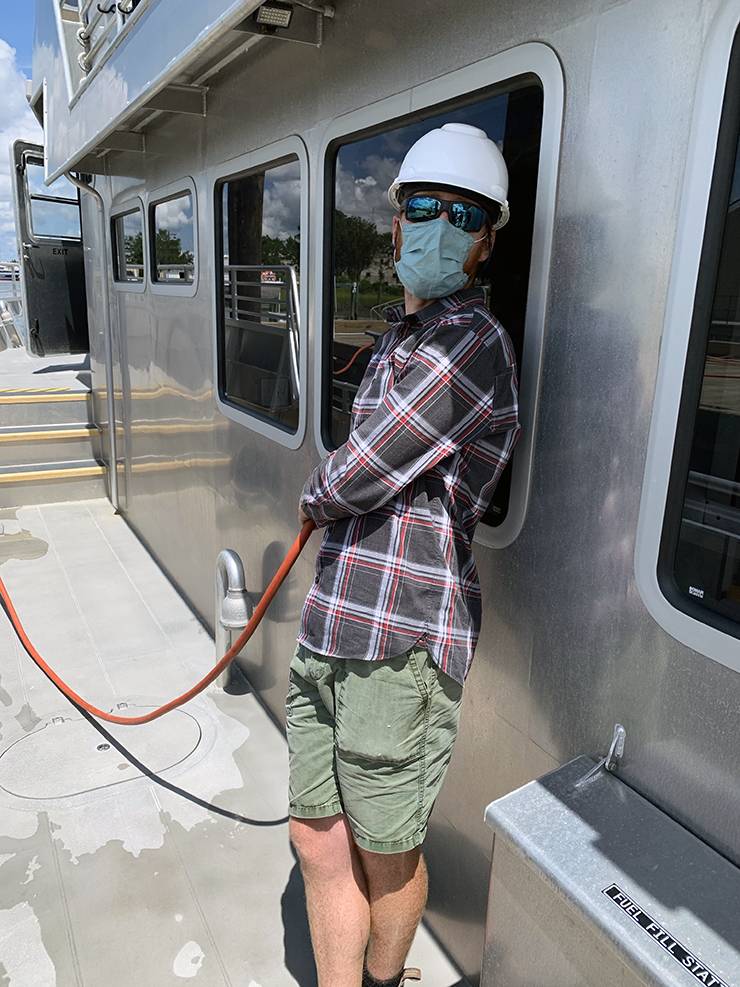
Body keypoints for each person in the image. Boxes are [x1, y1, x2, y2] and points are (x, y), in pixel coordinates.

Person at [287, 122, 521, 987]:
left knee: (387, 853)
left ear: (486, 241)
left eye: (462, 215)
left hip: (401, 648)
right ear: (396, 224)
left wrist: (314, 491)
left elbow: (364, 468)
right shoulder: (397, 339)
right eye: (422, 207)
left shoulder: (474, 347)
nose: (436, 225)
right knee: (315, 832)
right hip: (333, 621)